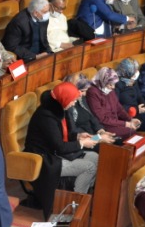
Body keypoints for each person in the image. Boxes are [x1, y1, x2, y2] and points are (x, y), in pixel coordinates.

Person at [24, 82, 99, 217]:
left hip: (56, 152)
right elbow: (59, 146)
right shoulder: (46, 116)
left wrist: (78, 136)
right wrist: (81, 143)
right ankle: (75, 205)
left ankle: (82, 195)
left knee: (95, 157)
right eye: (73, 100)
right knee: (89, 167)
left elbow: (62, 135)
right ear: (64, 99)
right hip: (45, 158)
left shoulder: (58, 109)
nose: (74, 103)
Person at [85, 67, 141, 138]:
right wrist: (125, 124)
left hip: (115, 122)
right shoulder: (92, 92)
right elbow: (101, 119)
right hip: (105, 126)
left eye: (114, 84)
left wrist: (130, 119)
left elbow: (119, 108)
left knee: (137, 125)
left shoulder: (109, 90)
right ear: (103, 81)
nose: (113, 87)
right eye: (110, 84)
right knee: (131, 132)